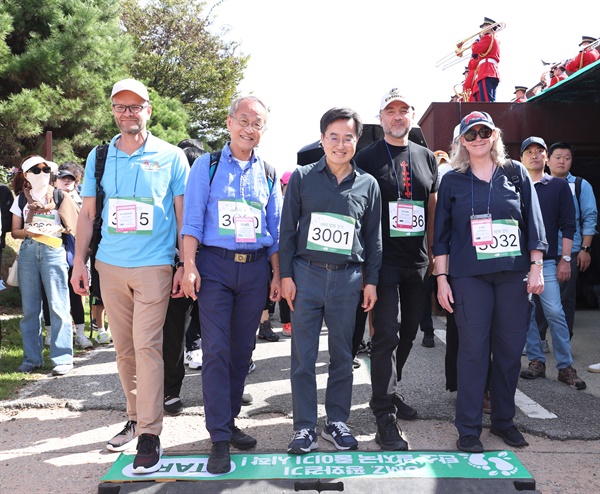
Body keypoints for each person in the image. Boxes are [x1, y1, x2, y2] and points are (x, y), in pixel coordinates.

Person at [71, 78, 189, 474]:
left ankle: (150, 435)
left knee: (147, 347)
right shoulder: (99, 157)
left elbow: (182, 215)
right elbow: (88, 214)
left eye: (135, 106)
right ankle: (136, 416)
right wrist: (79, 264)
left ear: (148, 110)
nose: (128, 113)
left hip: (154, 265)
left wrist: (185, 264)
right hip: (109, 266)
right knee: (123, 351)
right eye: (121, 107)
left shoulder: (172, 156)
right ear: (113, 111)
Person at [433, 112, 547, 453]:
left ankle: (503, 421)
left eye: (484, 131)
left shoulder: (516, 173)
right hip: (469, 278)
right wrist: (441, 279)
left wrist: (537, 267)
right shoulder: (452, 181)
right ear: (462, 142)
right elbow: (441, 237)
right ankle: (468, 428)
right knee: (473, 352)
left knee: (510, 352)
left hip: (513, 276)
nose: (478, 138)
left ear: (494, 135)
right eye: (471, 134)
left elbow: (534, 224)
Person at [180, 95, 282, 474]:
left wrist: (276, 273)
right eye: (244, 120)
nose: (249, 129)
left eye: (257, 124)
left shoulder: (270, 173)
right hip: (215, 269)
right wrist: (188, 265)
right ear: (229, 122)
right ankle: (219, 436)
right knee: (217, 350)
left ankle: (230, 418)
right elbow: (190, 222)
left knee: (242, 352)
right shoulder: (205, 167)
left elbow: (274, 231)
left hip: (254, 270)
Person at [280, 107, 382, 455]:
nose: (341, 144)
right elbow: (287, 231)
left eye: (348, 138)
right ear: (322, 139)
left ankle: (336, 422)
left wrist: (371, 282)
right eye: (333, 137)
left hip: (347, 280)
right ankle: (304, 427)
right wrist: (285, 276)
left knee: (342, 356)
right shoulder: (302, 177)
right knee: (302, 358)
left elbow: (374, 238)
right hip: (306, 277)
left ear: (357, 140)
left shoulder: (368, 185)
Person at [354, 89, 438, 451]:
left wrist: (434, 253)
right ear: (381, 117)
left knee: (409, 333)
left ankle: (391, 389)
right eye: (392, 111)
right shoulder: (367, 156)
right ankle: (383, 414)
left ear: (412, 116)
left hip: (417, 261)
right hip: (383, 260)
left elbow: (431, 205)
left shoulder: (426, 157)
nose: (398, 116)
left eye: (405, 110)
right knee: (386, 333)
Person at [519, 137, 586, 391]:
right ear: (521, 157)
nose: (534, 156)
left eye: (540, 152)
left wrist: (565, 259)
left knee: (555, 312)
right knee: (525, 313)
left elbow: (569, 225)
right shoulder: (514, 186)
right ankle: (536, 361)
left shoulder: (558, 187)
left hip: (547, 261)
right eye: (529, 152)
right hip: (518, 262)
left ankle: (565, 366)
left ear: (546, 157)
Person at [11, 156, 78, 375]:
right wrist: (29, 232)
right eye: (36, 170)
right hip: (29, 251)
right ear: (27, 175)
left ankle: (63, 359)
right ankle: (32, 358)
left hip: (52, 250)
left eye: (46, 169)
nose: (42, 173)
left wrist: (56, 230)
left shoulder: (60, 196)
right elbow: (15, 231)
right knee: (30, 309)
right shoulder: (21, 199)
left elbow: (73, 227)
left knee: (58, 306)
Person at [543, 142, 597, 339]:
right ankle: (539, 340)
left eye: (567, 157)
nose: (562, 161)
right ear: (547, 160)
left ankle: (563, 340)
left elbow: (590, 217)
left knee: (566, 299)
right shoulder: (537, 184)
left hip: (571, 250)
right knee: (538, 298)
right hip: (543, 251)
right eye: (558, 157)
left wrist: (585, 249)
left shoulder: (580, 185)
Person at [53, 168, 92, 349]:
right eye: (62, 179)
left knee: (76, 293)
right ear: (55, 182)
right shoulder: (49, 198)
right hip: (53, 251)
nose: (66, 181)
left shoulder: (81, 200)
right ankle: (56, 336)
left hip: (74, 253)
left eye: (70, 179)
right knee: (52, 297)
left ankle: (80, 334)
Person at [471, 18, 501, 103]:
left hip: (486, 71)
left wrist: (476, 41)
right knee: (490, 101)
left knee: (486, 102)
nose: (482, 29)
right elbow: (476, 55)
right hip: (491, 71)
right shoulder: (494, 38)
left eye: (484, 26)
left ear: (489, 27)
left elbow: (475, 49)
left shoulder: (488, 37)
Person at [279, 170, 293, 337]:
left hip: (299, 249)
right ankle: (286, 322)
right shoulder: (279, 202)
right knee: (285, 282)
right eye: (288, 186)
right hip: (282, 247)